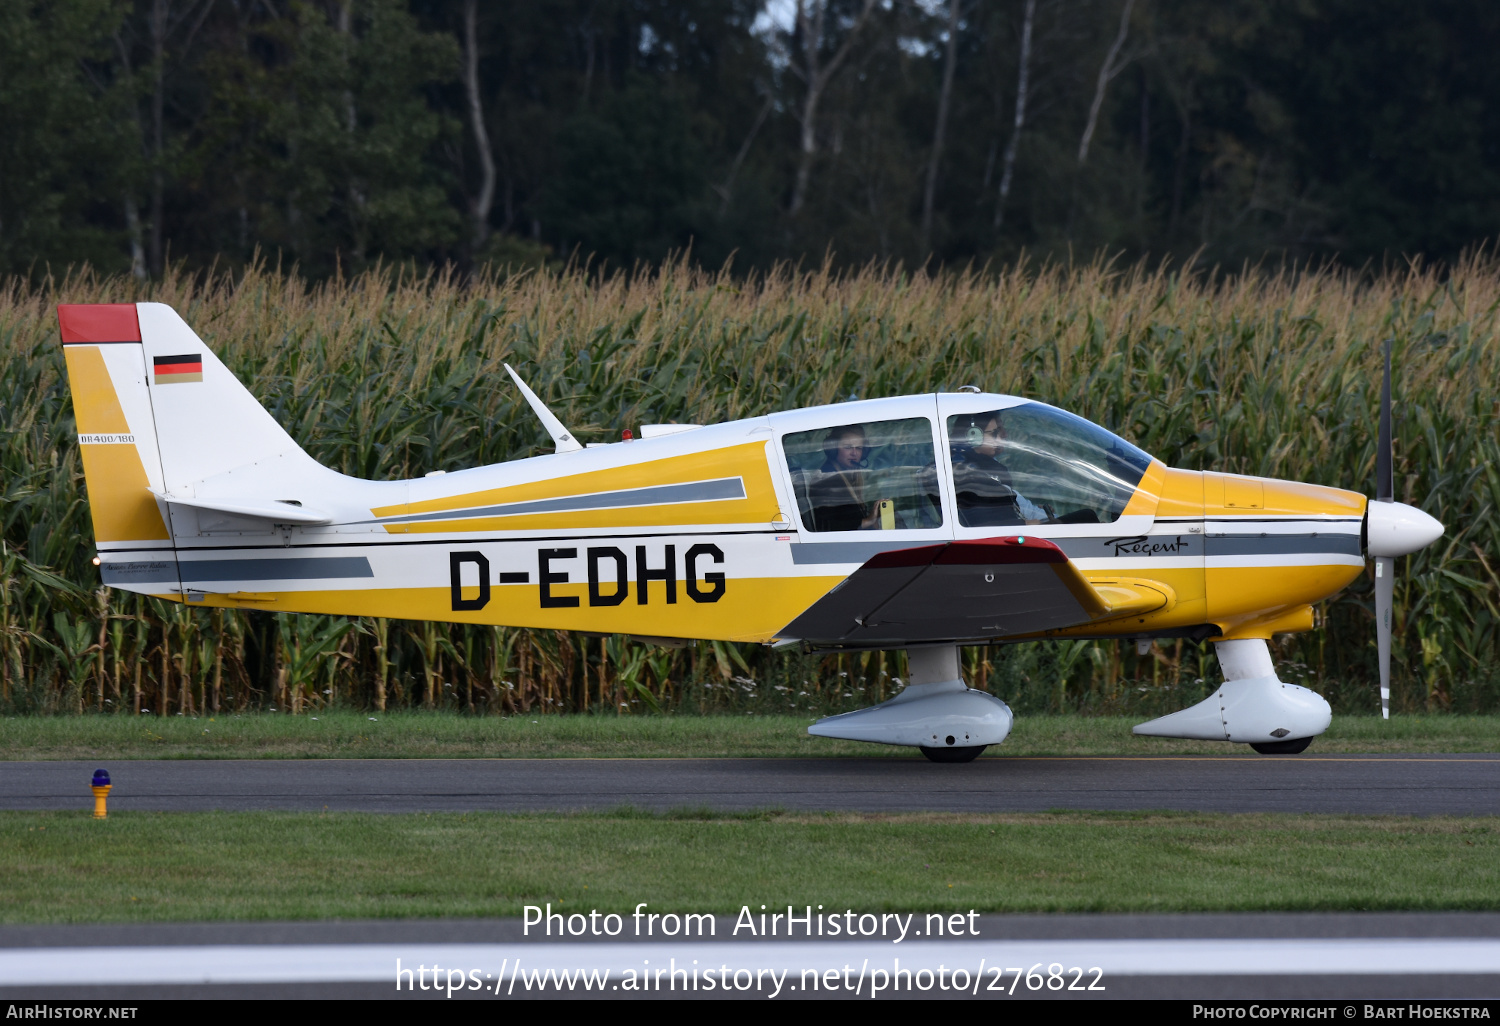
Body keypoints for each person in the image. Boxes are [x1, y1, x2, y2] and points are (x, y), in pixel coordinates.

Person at [951, 411, 1047, 527]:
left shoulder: (987, 471)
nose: (1003, 435)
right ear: (974, 437)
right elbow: (983, 523)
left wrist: (1033, 512)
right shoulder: (968, 476)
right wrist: (1025, 524)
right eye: (995, 432)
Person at [807, 424, 893, 531]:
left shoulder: (850, 475)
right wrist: (868, 521)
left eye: (859, 448)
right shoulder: (827, 480)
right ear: (833, 450)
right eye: (848, 447)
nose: (854, 453)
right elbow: (831, 525)